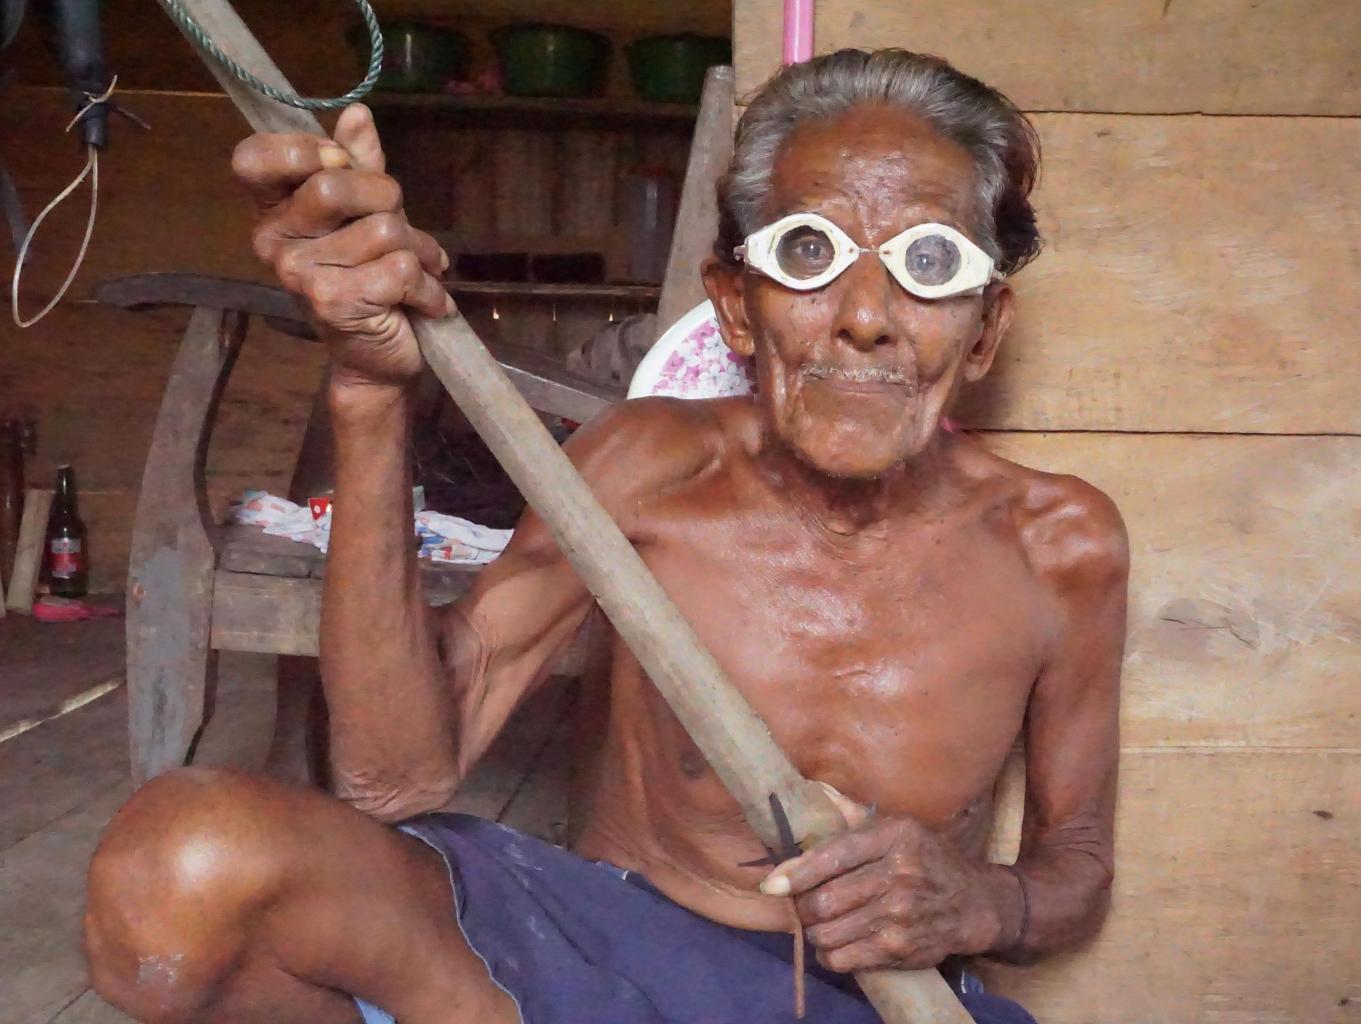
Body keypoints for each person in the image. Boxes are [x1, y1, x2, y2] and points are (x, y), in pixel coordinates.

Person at [84, 49, 1126, 1024]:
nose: (864, 316)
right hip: (601, 957)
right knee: (178, 870)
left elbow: (1072, 872)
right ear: (735, 306)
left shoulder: (1060, 545)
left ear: (982, 329)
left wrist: (977, 903)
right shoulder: (646, 463)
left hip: (874, 1000)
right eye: (807, 252)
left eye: (927, 262)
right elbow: (393, 779)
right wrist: (368, 394)